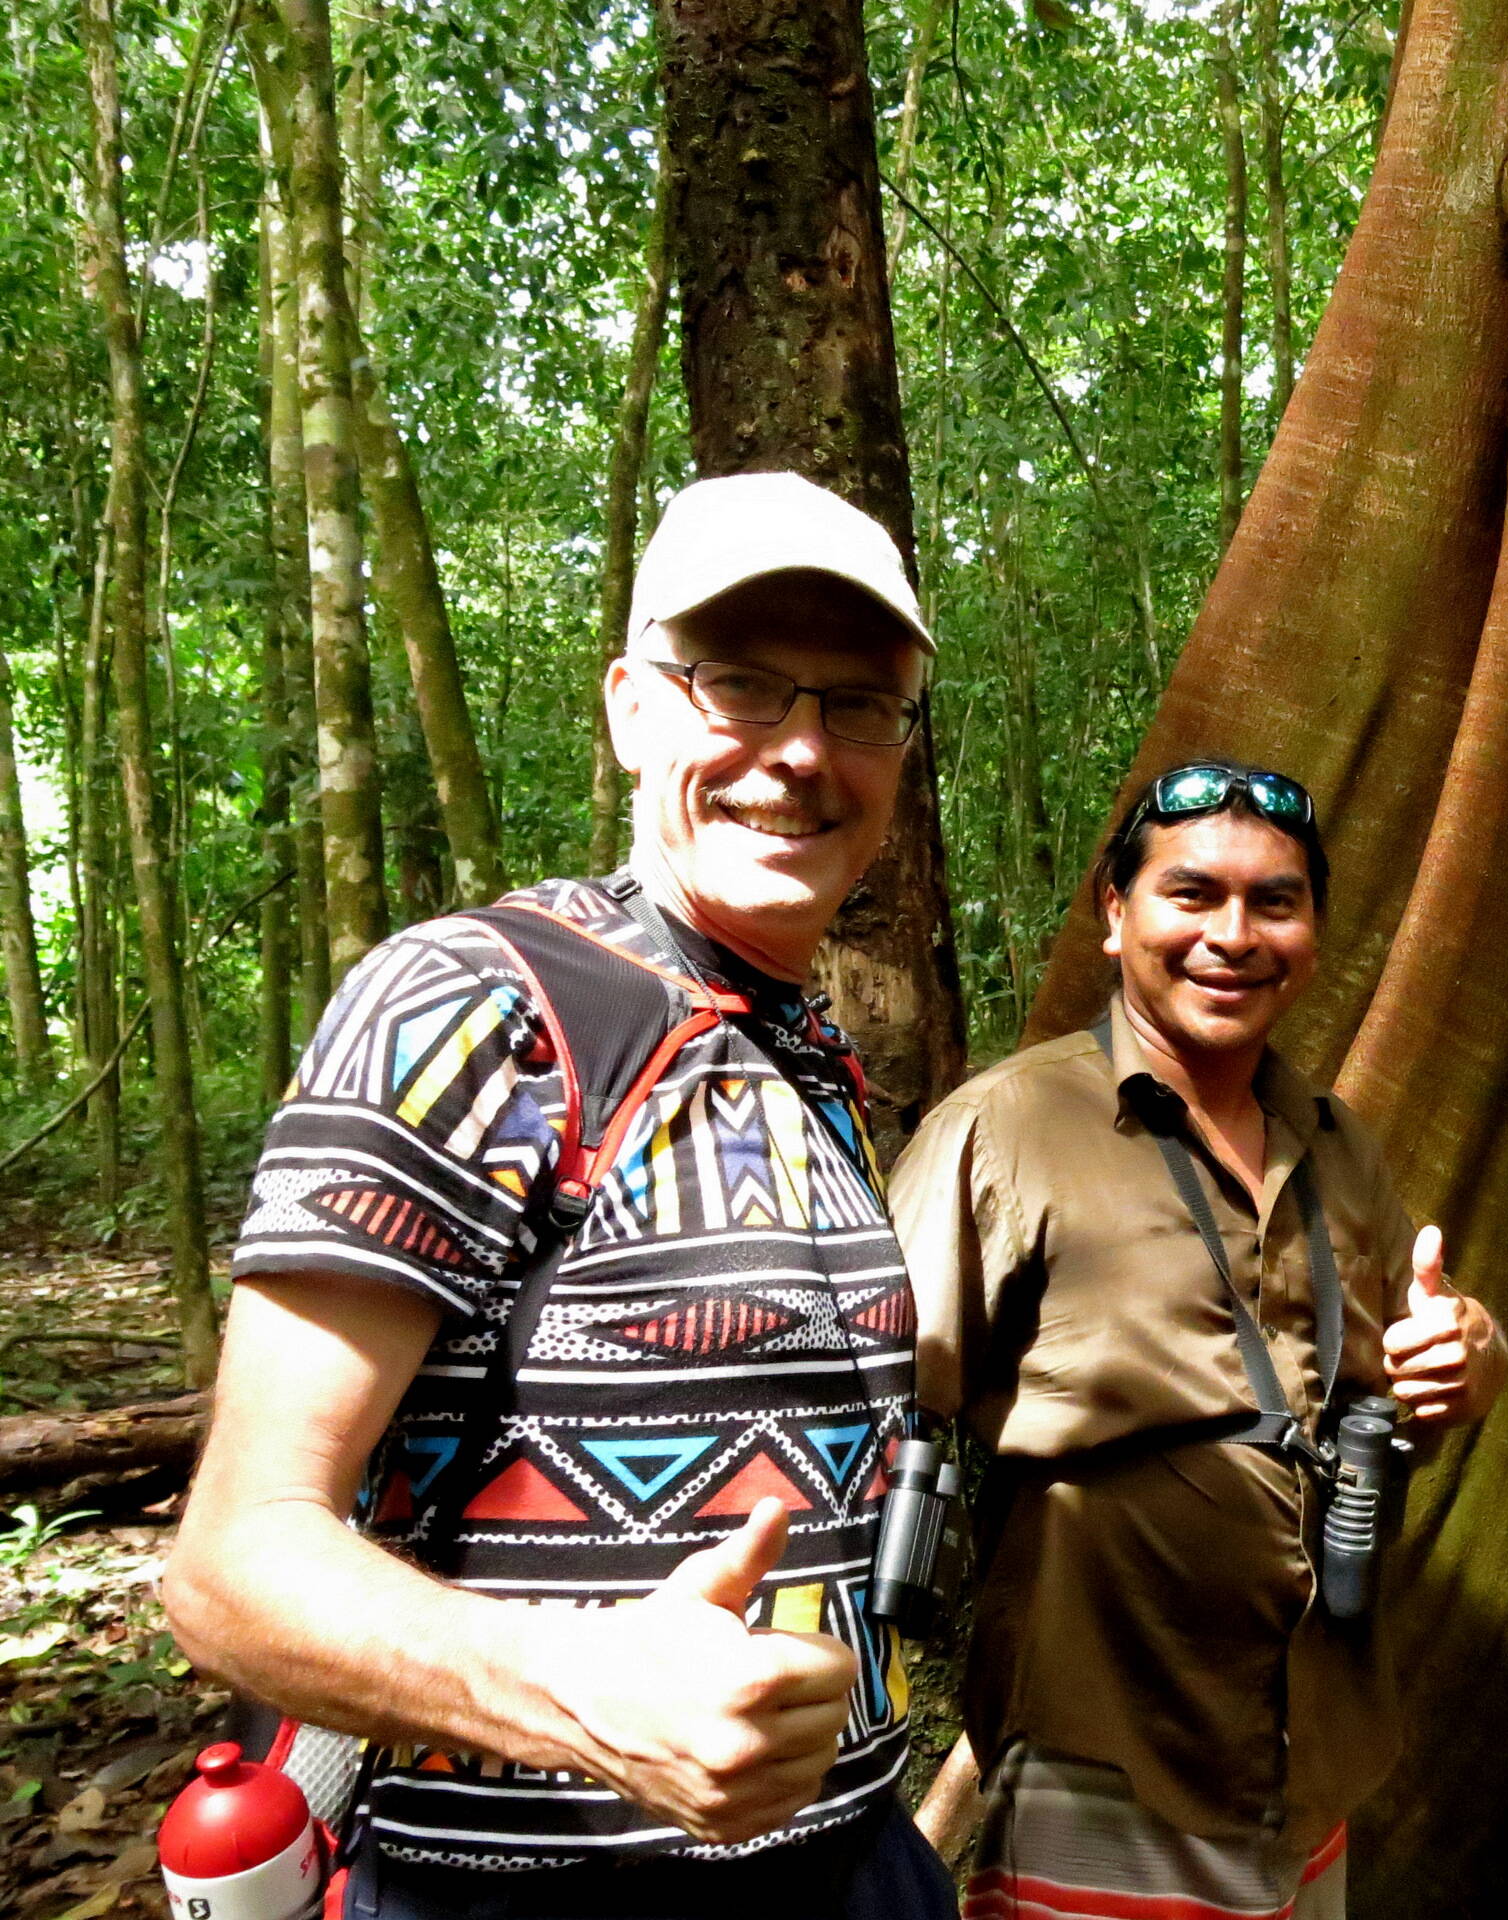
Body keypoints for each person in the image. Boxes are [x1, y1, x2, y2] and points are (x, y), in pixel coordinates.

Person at [165, 472, 958, 1920]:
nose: (798, 753)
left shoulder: (809, 1051)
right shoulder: (479, 1001)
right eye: (743, 688)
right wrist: (578, 1694)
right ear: (633, 708)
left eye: (856, 706)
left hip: (852, 1868)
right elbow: (232, 1563)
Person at [889, 759, 1508, 1920]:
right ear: (1115, 913)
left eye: (1274, 901)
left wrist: (1469, 1354)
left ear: (1313, 931)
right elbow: (869, 1404)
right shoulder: (1005, 1127)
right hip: (1109, 1750)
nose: (1233, 934)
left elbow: (1411, 1364)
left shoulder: (1332, 1144)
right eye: (1191, 895)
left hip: (1312, 1746)